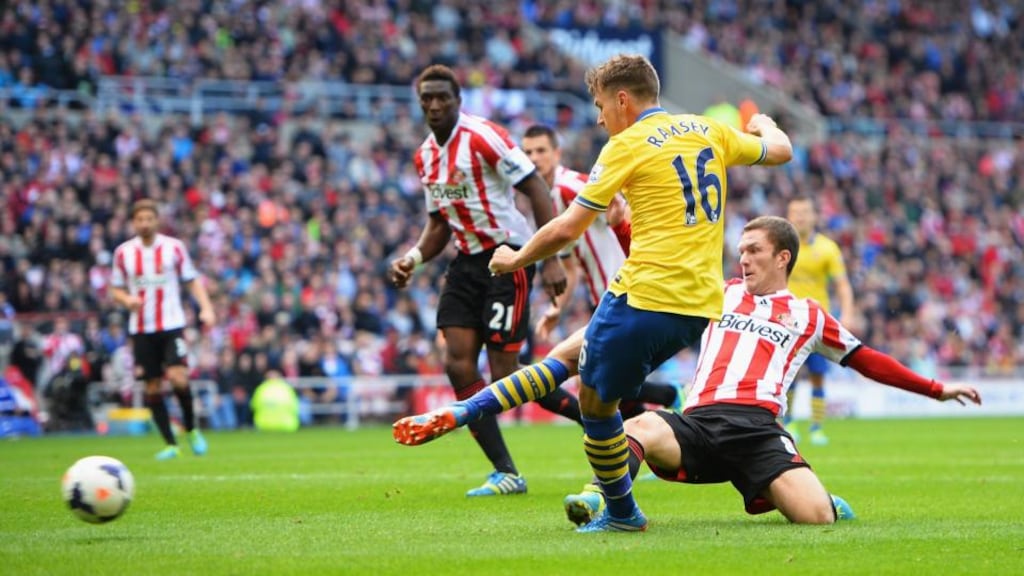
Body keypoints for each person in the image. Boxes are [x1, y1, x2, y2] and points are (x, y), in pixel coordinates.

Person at [397, 217, 983, 528]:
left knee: (818, 520)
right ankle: (608, 504)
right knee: (642, 428)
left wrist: (935, 388)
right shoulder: (713, 292)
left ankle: (819, 495)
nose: (742, 257)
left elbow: (867, 359)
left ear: (782, 257)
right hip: (697, 423)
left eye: (753, 250)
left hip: (759, 429)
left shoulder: (809, 315)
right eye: (740, 249)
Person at [486, 54, 794, 531]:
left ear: (623, 99)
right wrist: (766, 124)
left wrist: (515, 259)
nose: (598, 116)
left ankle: (623, 511)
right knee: (597, 386)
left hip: (644, 295)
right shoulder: (707, 130)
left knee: (593, 401)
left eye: (600, 104)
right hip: (699, 308)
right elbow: (780, 151)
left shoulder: (624, 146)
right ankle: (632, 473)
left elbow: (569, 226)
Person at [387, 64, 569, 497]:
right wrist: (412, 258)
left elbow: (537, 190)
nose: (433, 105)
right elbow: (438, 224)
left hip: (509, 256)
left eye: (441, 97)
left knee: (506, 370)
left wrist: (551, 258)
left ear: (457, 100)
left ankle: (601, 423)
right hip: (467, 262)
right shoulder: (425, 156)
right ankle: (506, 471)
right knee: (457, 363)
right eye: (426, 98)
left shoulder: (484, 137)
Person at [110, 199, 215, 460]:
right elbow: (115, 288)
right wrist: (126, 300)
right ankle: (171, 444)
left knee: (179, 378)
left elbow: (192, 280)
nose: (144, 223)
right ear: (134, 222)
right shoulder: (123, 253)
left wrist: (206, 308)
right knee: (153, 388)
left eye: (149, 218)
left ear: (157, 220)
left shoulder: (174, 248)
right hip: (142, 329)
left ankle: (191, 429)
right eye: (140, 219)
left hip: (171, 325)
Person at [783, 196, 857, 445]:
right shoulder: (782, 246)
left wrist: (847, 313)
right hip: (787, 319)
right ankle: (789, 423)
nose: (800, 217)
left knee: (817, 375)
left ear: (814, 216)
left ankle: (816, 427)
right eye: (795, 212)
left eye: (805, 212)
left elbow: (842, 285)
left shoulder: (827, 248)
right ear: (788, 215)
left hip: (817, 322)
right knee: (788, 375)